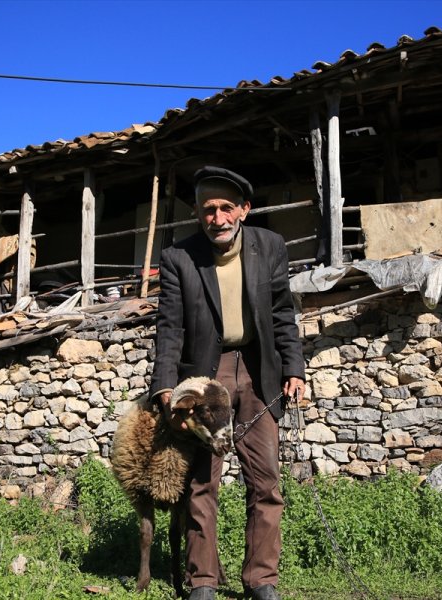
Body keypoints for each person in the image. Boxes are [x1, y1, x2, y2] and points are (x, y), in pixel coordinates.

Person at [149, 166, 305, 600]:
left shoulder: (270, 246)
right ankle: (202, 580)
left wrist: (293, 367)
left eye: (225, 208)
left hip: (258, 370)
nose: (217, 218)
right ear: (198, 213)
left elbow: (282, 312)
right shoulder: (179, 257)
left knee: (266, 480)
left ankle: (261, 579)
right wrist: (166, 386)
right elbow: (170, 327)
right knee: (203, 481)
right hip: (205, 375)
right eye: (208, 209)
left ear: (244, 209)